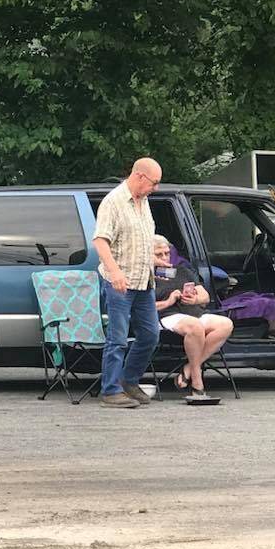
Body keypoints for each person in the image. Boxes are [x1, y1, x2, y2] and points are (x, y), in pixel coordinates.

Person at [92, 157, 167, 408]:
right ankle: (110, 390)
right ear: (140, 177)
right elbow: (100, 241)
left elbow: (140, 240)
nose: (155, 189)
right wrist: (115, 273)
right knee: (118, 339)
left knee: (150, 335)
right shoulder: (113, 202)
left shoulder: (144, 202)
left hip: (144, 282)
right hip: (119, 284)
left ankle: (129, 381)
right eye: (154, 183)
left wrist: (154, 261)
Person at [153, 235, 234, 399]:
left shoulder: (182, 270)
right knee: (195, 326)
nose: (165, 257)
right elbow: (143, 307)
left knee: (226, 324)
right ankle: (197, 383)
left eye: (167, 253)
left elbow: (205, 296)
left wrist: (194, 299)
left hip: (193, 311)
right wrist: (169, 301)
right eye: (159, 254)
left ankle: (188, 369)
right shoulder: (147, 276)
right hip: (167, 315)